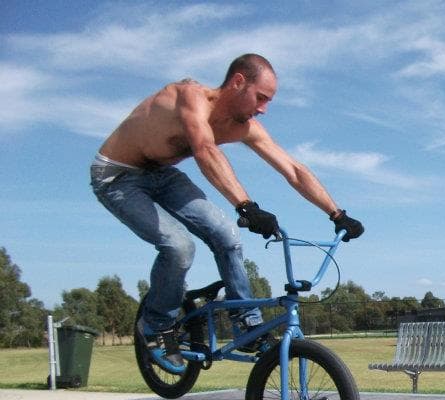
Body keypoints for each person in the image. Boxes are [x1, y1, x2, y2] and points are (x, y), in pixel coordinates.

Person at [90, 53, 363, 373]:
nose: (263, 108)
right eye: (261, 98)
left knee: (227, 235)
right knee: (179, 246)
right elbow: (205, 150)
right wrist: (246, 206)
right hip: (117, 177)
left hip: (161, 175)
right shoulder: (190, 98)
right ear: (237, 82)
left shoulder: (245, 127)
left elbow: (292, 169)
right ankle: (157, 325)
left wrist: (336, 213)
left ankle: (246, 325)